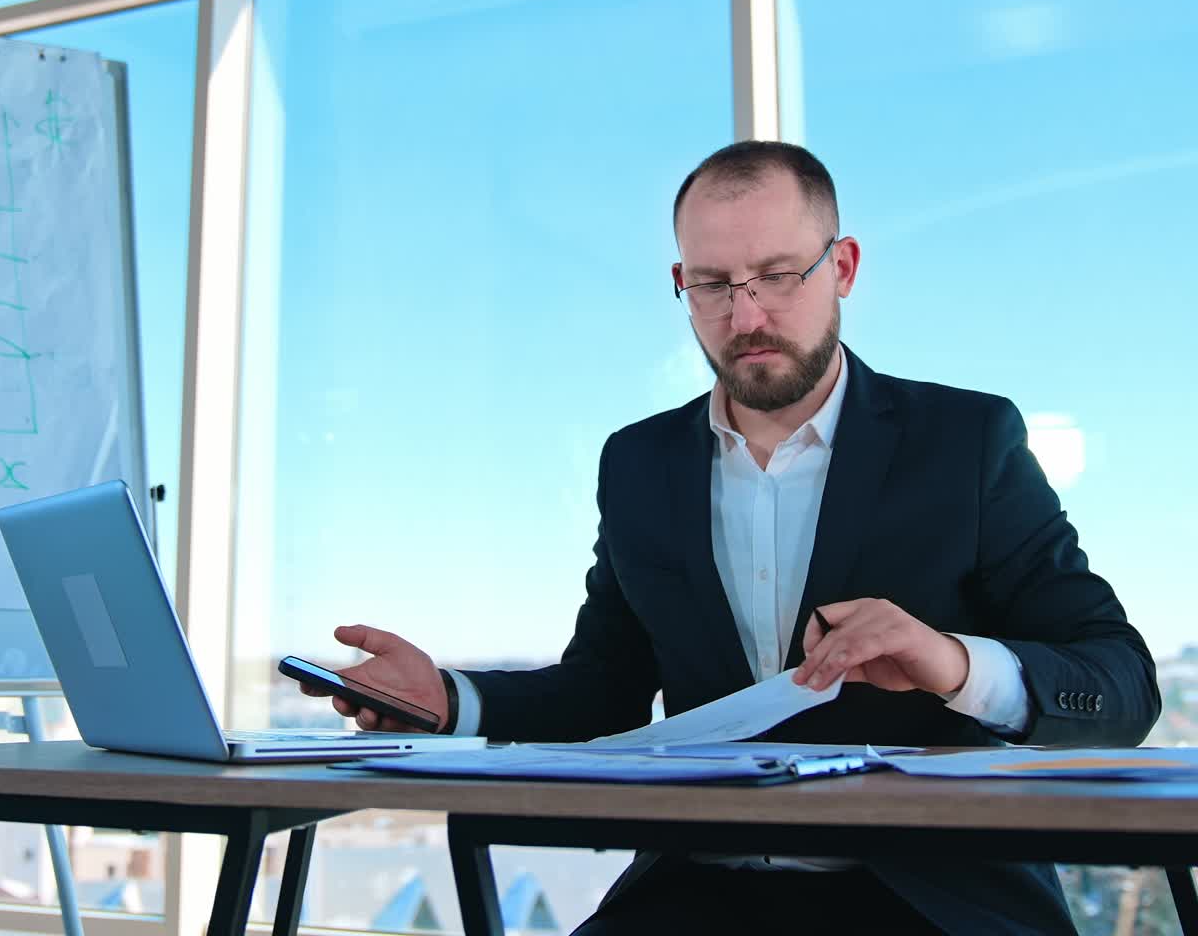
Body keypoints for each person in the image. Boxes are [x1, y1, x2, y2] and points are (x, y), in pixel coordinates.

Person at [307, 141, 1160, 934]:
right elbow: (605, 689)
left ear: (845, 268)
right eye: (713, 284)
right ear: (681, 283)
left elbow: (1119, 684)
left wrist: (954, 664)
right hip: (692, 894)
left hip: (921, 902)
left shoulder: (965, 443)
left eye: (778, 275)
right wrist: (453, 699)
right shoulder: (639, 462)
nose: (746, 313)